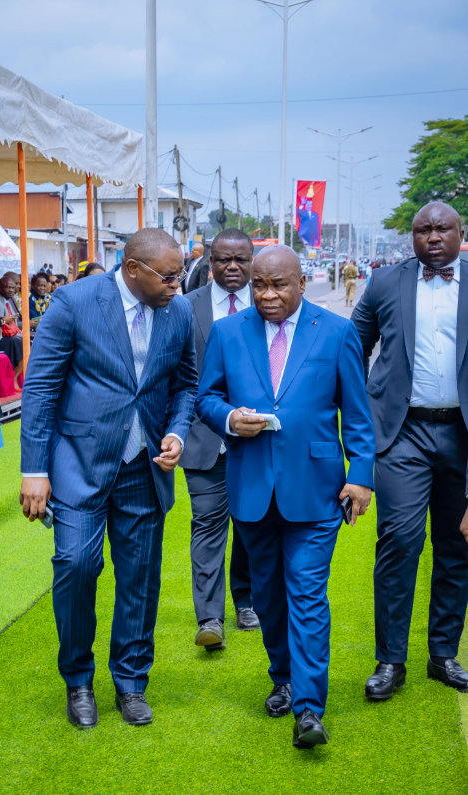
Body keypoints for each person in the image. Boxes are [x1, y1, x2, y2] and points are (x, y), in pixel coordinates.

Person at [196, 245, 375, 747]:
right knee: (269, 599)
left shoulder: (337, 332)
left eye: (278, 285)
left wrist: (360, 475)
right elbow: (206, 397)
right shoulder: (229, 332)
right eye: (259, 286)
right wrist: (230, 418)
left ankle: (309, 708)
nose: (268, 295)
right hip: (252, 487)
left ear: (301, 281)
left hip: (316, 491)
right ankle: (284, 678)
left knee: (308, 596)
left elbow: (358, 414)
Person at [20, 228, 197, 730]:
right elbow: (40, 389)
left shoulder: (178, 311)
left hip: (146, 467)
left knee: (139, 578)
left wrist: (178, 434)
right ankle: (78, 681)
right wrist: (35, 470)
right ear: (133, 269)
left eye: (180, 274)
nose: (177, 285)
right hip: (79, 462)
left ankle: (131, 683)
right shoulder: (73, 303)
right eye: (168, 276)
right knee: (76, 564)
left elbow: (185, 385)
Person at [351, 201, 468, 701]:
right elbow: (353, 344)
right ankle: (390, 660)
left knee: (457, 544)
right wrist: (361, 406)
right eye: (424, 230)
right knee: (399, 542)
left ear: (460, 232)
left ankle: (443, 654)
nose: (434, 237)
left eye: (443, 228)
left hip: (462, 435)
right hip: (403, 435)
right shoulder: (384, 283)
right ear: (412, 237)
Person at [180, 228, 259, 652]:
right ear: (209, 262)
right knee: (207, 525)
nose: (232, 267)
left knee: (250, 524)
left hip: (255, 439)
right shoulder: (183, 308)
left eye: (241, 260)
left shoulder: (268, 309)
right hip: (202, 438)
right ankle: (210, 617)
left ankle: (246, 601)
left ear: (252, 262)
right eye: (223, 259)